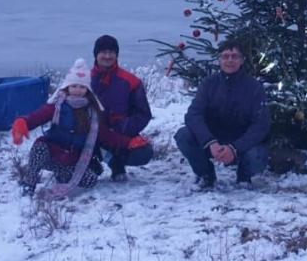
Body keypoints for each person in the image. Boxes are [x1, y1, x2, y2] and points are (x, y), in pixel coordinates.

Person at [11, 58, 149, 196]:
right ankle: (30, 183)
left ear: (87, 90)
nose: (77, 90)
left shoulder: (92, 113)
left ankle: (64, 174)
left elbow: (106, 135)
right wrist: (23, 122)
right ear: (67, 87)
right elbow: (38, 116)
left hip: (74, 158)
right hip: (52, 152)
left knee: (90, 180)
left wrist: (129, 142)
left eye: (82, 87)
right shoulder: (57, 105)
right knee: (39, 147)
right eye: (74, 86)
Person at [174, 39, 270, 189]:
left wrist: (234, 148)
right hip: (213, 141)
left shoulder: (254, 87)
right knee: (183, 135)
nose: (230, 60)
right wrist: (210, 142)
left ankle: (244, 177)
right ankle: (206, 175)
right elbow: (193, 115)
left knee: (259, 154)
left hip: (241, 143)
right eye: (225, 56)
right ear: (219, 60)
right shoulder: (208, 84)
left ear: (242, 60)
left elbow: (261, 124)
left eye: (234, 56)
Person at [90, 34, 154, 181]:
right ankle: (90, 164)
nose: (107, 56)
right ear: (96, 54)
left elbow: (143, 114)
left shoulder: (131, 81)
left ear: (116, 54)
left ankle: (116, 164)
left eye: (111, 52)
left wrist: (123, 128)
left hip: (121, 134)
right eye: (103, 52)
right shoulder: (83, 81)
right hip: (90, 134)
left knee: (144, 152)